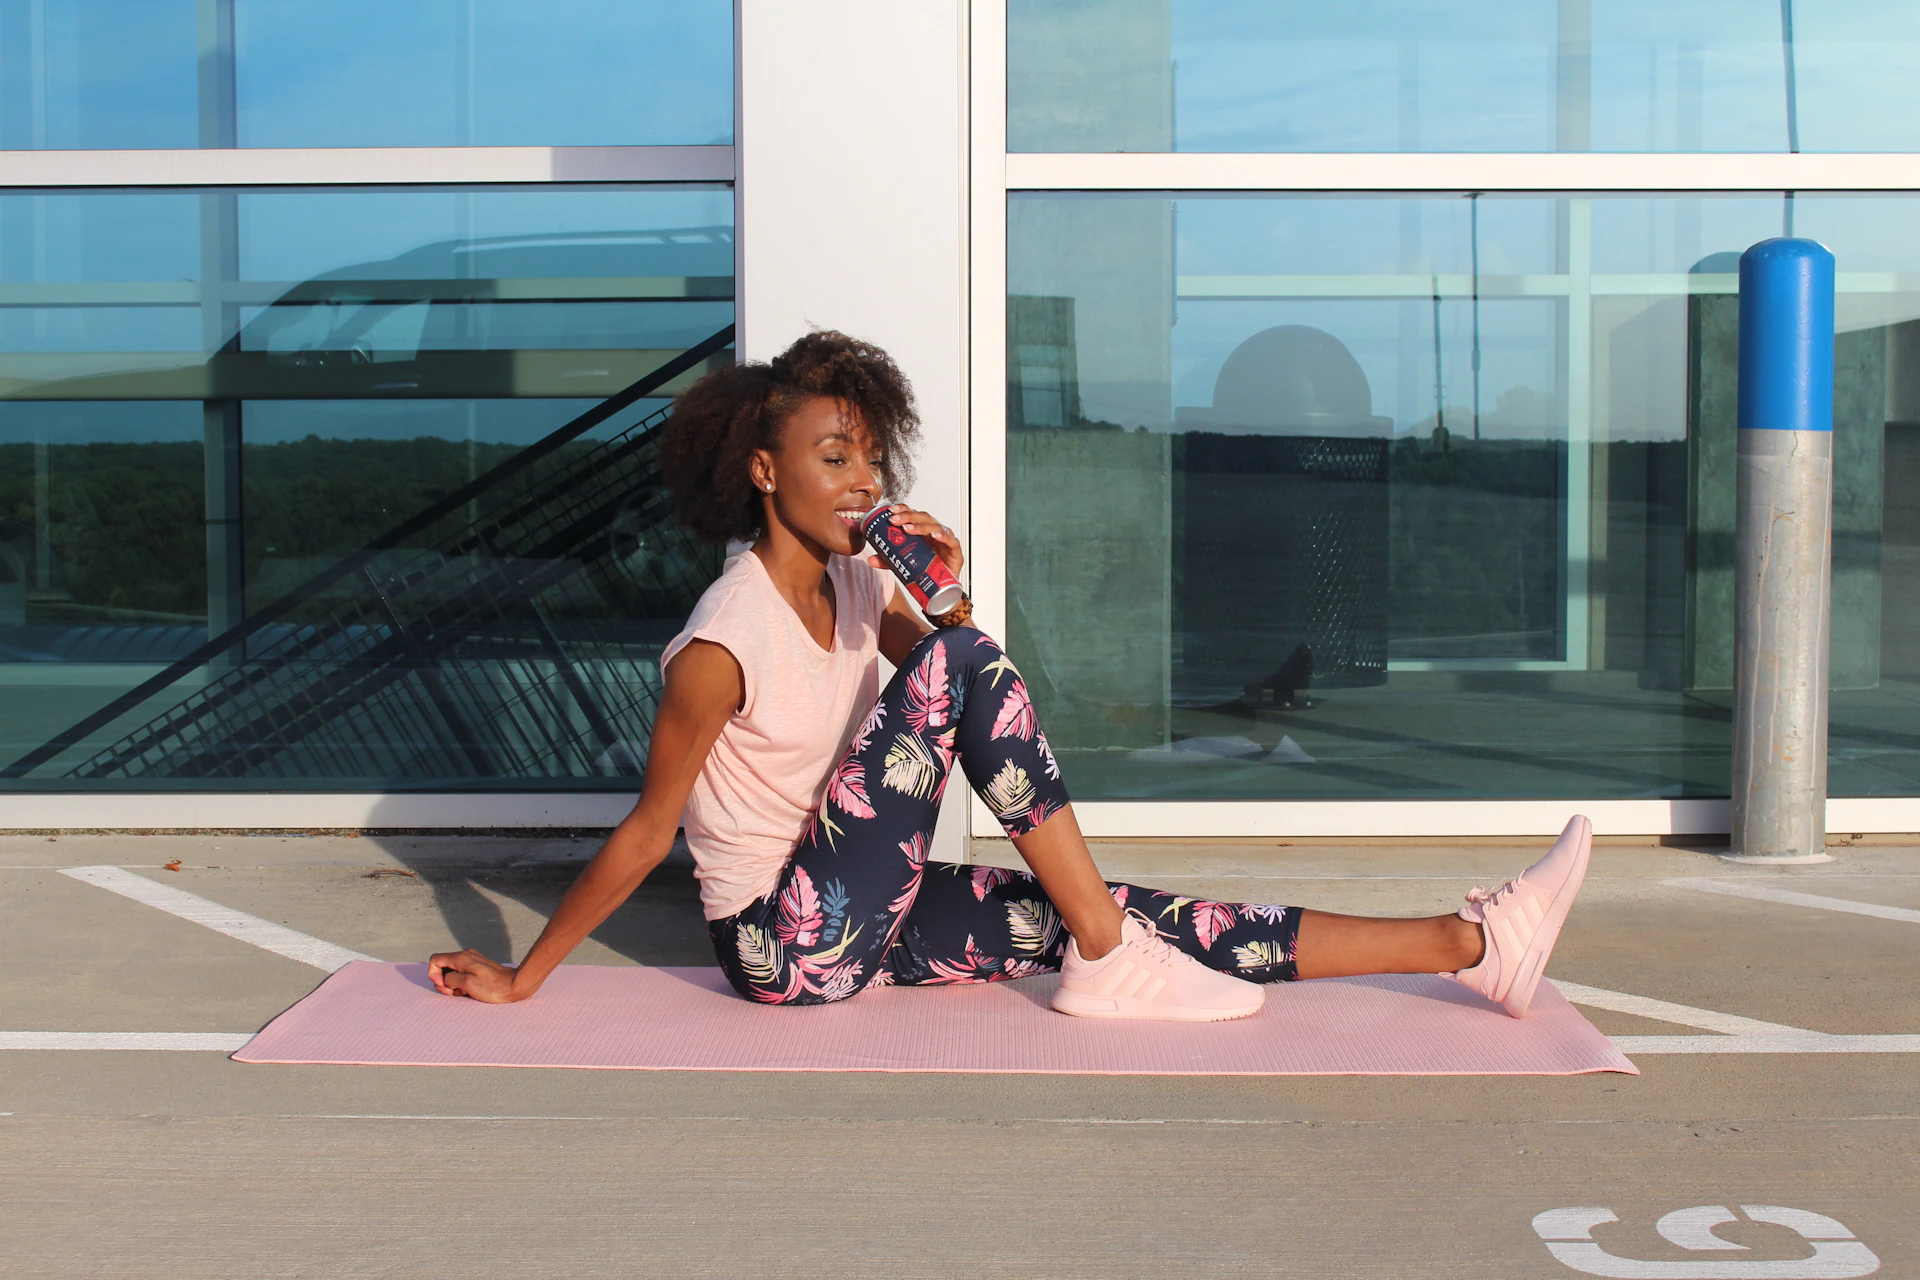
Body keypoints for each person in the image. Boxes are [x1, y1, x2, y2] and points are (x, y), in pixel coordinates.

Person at [428, 330, 1591, 1022]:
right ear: (764, 469)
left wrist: (931, 584)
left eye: (872, 459)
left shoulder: (852, 585)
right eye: (835, 458)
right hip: (782, 949)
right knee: (988, 716)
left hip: (866, 911)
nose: (860, 480)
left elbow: (974, 688)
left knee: (1144, 915)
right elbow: (646, 834)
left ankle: (1472, 944)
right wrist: (526, 977)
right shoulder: (720, 642)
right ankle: (1103, 954)